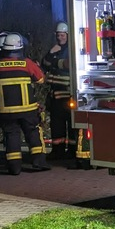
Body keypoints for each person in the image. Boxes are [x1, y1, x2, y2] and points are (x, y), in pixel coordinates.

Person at [0, 31, 50, 175]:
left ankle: (14, 167)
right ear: (20, 48)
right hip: (28, 109)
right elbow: (41, 79)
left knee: (11, 136)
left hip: (6, 111)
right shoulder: (27, 63)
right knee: (33, 133)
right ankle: (38, 162)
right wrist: (37, 68)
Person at [42, 22, 73, 159]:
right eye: (58, 35)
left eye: (62, 35)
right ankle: (58, 151)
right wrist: (50, 53)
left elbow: (68, 64)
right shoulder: (55, 49)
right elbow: (44, 64)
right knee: (56, 125)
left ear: (68, 35)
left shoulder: (72, 49)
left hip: (68, 94)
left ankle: (72, 151)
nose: (60, 38)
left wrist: (54, 62)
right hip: (55, 94)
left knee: (71, 124)